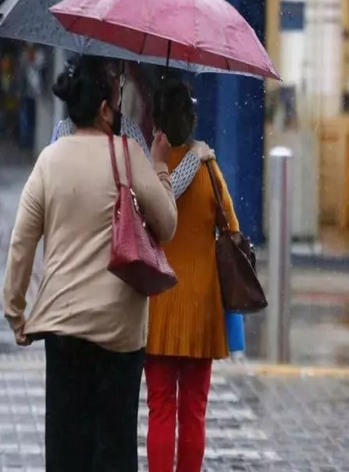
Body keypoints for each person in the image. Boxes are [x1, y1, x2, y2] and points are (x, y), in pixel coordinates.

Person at [2, 56, 178, 472]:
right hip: (118, 330)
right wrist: (161, 169)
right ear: (103, 109)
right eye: (116, 102)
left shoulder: (50, 160)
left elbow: (22, 241)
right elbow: (167, 225)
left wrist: (15, 311)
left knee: (67, 451)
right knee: (114, 448)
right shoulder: (129, 153)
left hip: (63, 328)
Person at [144, 81, 239, 472]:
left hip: (160, 305)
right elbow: (231, 226)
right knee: (194, 411)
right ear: (192, 119)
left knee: (160, 408)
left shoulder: (152, 172)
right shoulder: (209, 168)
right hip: (202, 309)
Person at [52, 59, 210, 200]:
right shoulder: (127, 134)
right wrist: (193, 157)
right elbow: (159, 199)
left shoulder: (61, 133)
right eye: (116, 77)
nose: (120, 82)